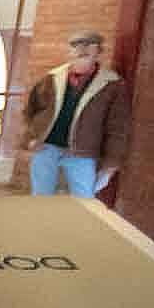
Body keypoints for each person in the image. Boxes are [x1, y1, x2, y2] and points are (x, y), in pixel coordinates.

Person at [23, 30, 131, 199]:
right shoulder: (51, 79)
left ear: (98, 52)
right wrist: (31, 137)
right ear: (69, 52)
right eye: (76, 46)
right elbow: (31, 110)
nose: (82, 49)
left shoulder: (112, 85)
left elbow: (117, 128)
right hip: (46, 149)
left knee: (84, 200)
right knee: (40, 199)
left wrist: (110, 164)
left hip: (82, 154)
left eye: (89, 46)